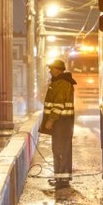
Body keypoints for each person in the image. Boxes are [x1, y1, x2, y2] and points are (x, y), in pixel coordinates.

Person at [39, 59, 76, 188]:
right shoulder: (58, 82)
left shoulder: (62, 83)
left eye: (51, 69)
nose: (49, 71)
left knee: (61, 150)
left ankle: (62, 179)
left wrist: (51, 120)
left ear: (58, 70)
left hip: (62, 122)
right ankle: (60, 178)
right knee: (59, 149)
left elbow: (58, 104)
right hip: (62, 122)